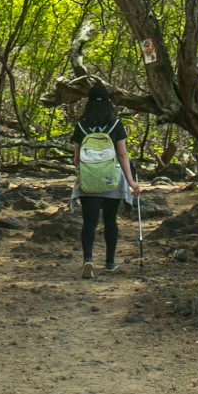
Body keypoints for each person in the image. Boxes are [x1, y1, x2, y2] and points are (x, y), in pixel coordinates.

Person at [70, 82, 138, 279]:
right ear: (108, 103)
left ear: (88, 103)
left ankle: (88, 259)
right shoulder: (116, 125)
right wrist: (131, 182)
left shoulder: (81, 126)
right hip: (112, 179)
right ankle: (110, 262)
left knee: (89, 222)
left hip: (89, 179)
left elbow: (76, 158)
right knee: (110, 221)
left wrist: (87, 171)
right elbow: (123, 154)